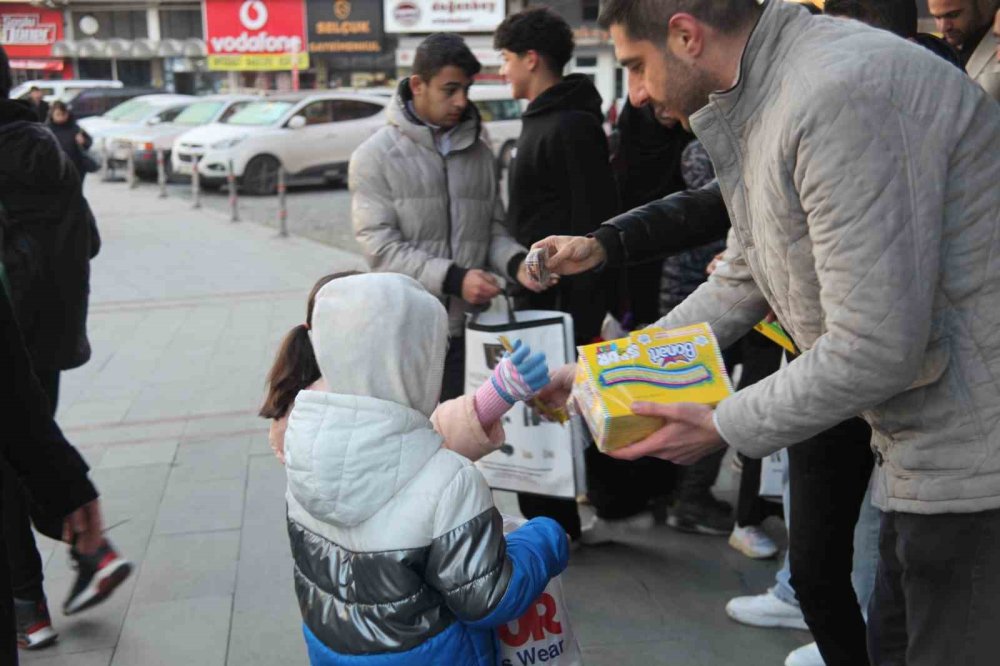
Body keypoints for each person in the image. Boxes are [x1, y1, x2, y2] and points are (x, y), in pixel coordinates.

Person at [536, 1, 1000, 664]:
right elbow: (743, 278)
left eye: (636, 68)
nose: (635, 94)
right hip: (927, 457)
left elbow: (874, 345)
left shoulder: (833, 95)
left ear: (686, 35)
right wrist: (603, 371)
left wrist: (724, 423)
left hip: (976, 471)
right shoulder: (772, 95)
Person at [280, 272, 567, 665]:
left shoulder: (300, 443)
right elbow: (488, 600)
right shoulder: (451, 481)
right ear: (422, 362)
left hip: (330, 647)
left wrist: (494, 395)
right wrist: (546, 537)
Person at [1, 47, 129, 651]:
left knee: (12, 462)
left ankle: (29, 604)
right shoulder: (50, 149)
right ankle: (88, 550)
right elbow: (92, 240)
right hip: (49, 338)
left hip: (13, 333)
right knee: (30, 446)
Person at [350, 33, 546, 404]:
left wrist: (518, 263)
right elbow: (380, 247)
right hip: (409, 331)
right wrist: (455, 278)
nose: (461, 101)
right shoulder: (373, 156)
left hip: (474, 330)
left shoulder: (478, 149)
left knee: (474, 437)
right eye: (450, 89)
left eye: (466, 90)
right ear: (417, 85)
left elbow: (492, 228)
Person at [495, 6, 620, 543]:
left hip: (563, 306)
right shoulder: (539, 119)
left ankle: (562, 524)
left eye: (504, 59)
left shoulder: (571, 125)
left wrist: (587, 313)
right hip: (538, 298)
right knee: (540, 410)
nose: (501, 71)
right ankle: (555, 519)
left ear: (531, 58)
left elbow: (595, 223)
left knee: (553, 409)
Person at [929, 0, 1000, 99]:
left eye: (953, 15)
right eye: (937, 17)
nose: (943, 27)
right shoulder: (932, 52)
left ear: (982, 4)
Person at [46, 101, 94, 185]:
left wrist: (83, 141)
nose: (61, 117)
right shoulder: (46, 130)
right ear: (52, 114)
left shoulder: (74, 127)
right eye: (58, 114)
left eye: (63, 114)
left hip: (76, 168)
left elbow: (88, 143)